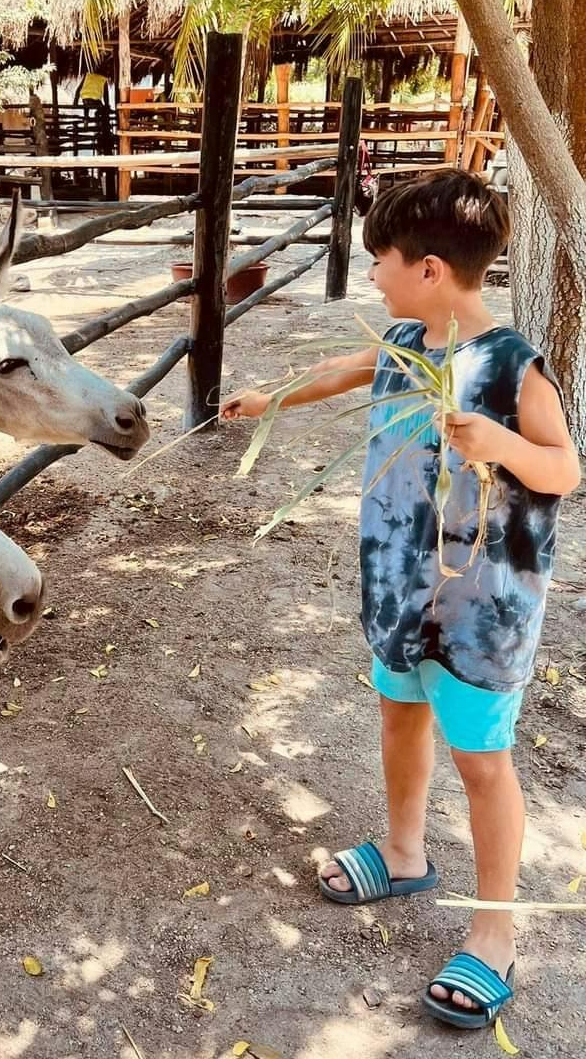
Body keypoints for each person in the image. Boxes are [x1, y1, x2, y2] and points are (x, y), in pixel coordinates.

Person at [222, 170, 580, 1030]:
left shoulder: (513, 367)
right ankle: (405, 851)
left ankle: (495, 932)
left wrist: (500, 445)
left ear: (428, 268)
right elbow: (342, 369)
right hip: (398, 587)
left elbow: (564, 470)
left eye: (380, 259)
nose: (374, 275)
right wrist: (270, 398)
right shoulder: (402, 341)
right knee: (400, 718)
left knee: (482, 761)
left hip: (481, 609)